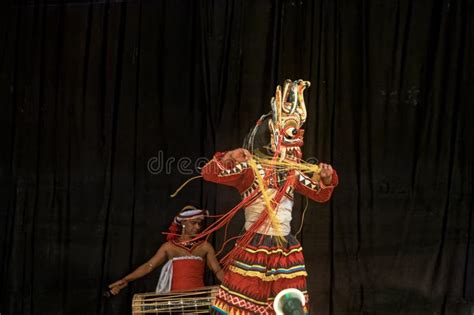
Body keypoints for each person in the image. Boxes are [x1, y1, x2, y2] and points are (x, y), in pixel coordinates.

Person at [200, 79, 338, 314]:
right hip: (253, 248)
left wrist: (326, 178)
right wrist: (230, 156)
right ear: (273, 135)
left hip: (284, 249)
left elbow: (320, 195)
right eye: (291, 133)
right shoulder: (251, 169)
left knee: (289, 308)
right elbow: (209, 173)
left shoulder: (293, 173)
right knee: (241, 307)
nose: (296, 141)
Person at [108, 206, 224, 295]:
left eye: (199, 223)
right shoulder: (169, 247)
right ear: (183, 223)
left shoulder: (204, 246)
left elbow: (217, 271)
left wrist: (232, 286)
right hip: (174, 300)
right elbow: (149, 266)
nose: (198, 227)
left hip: (199, 299)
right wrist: (126, 279)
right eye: (193, 223)